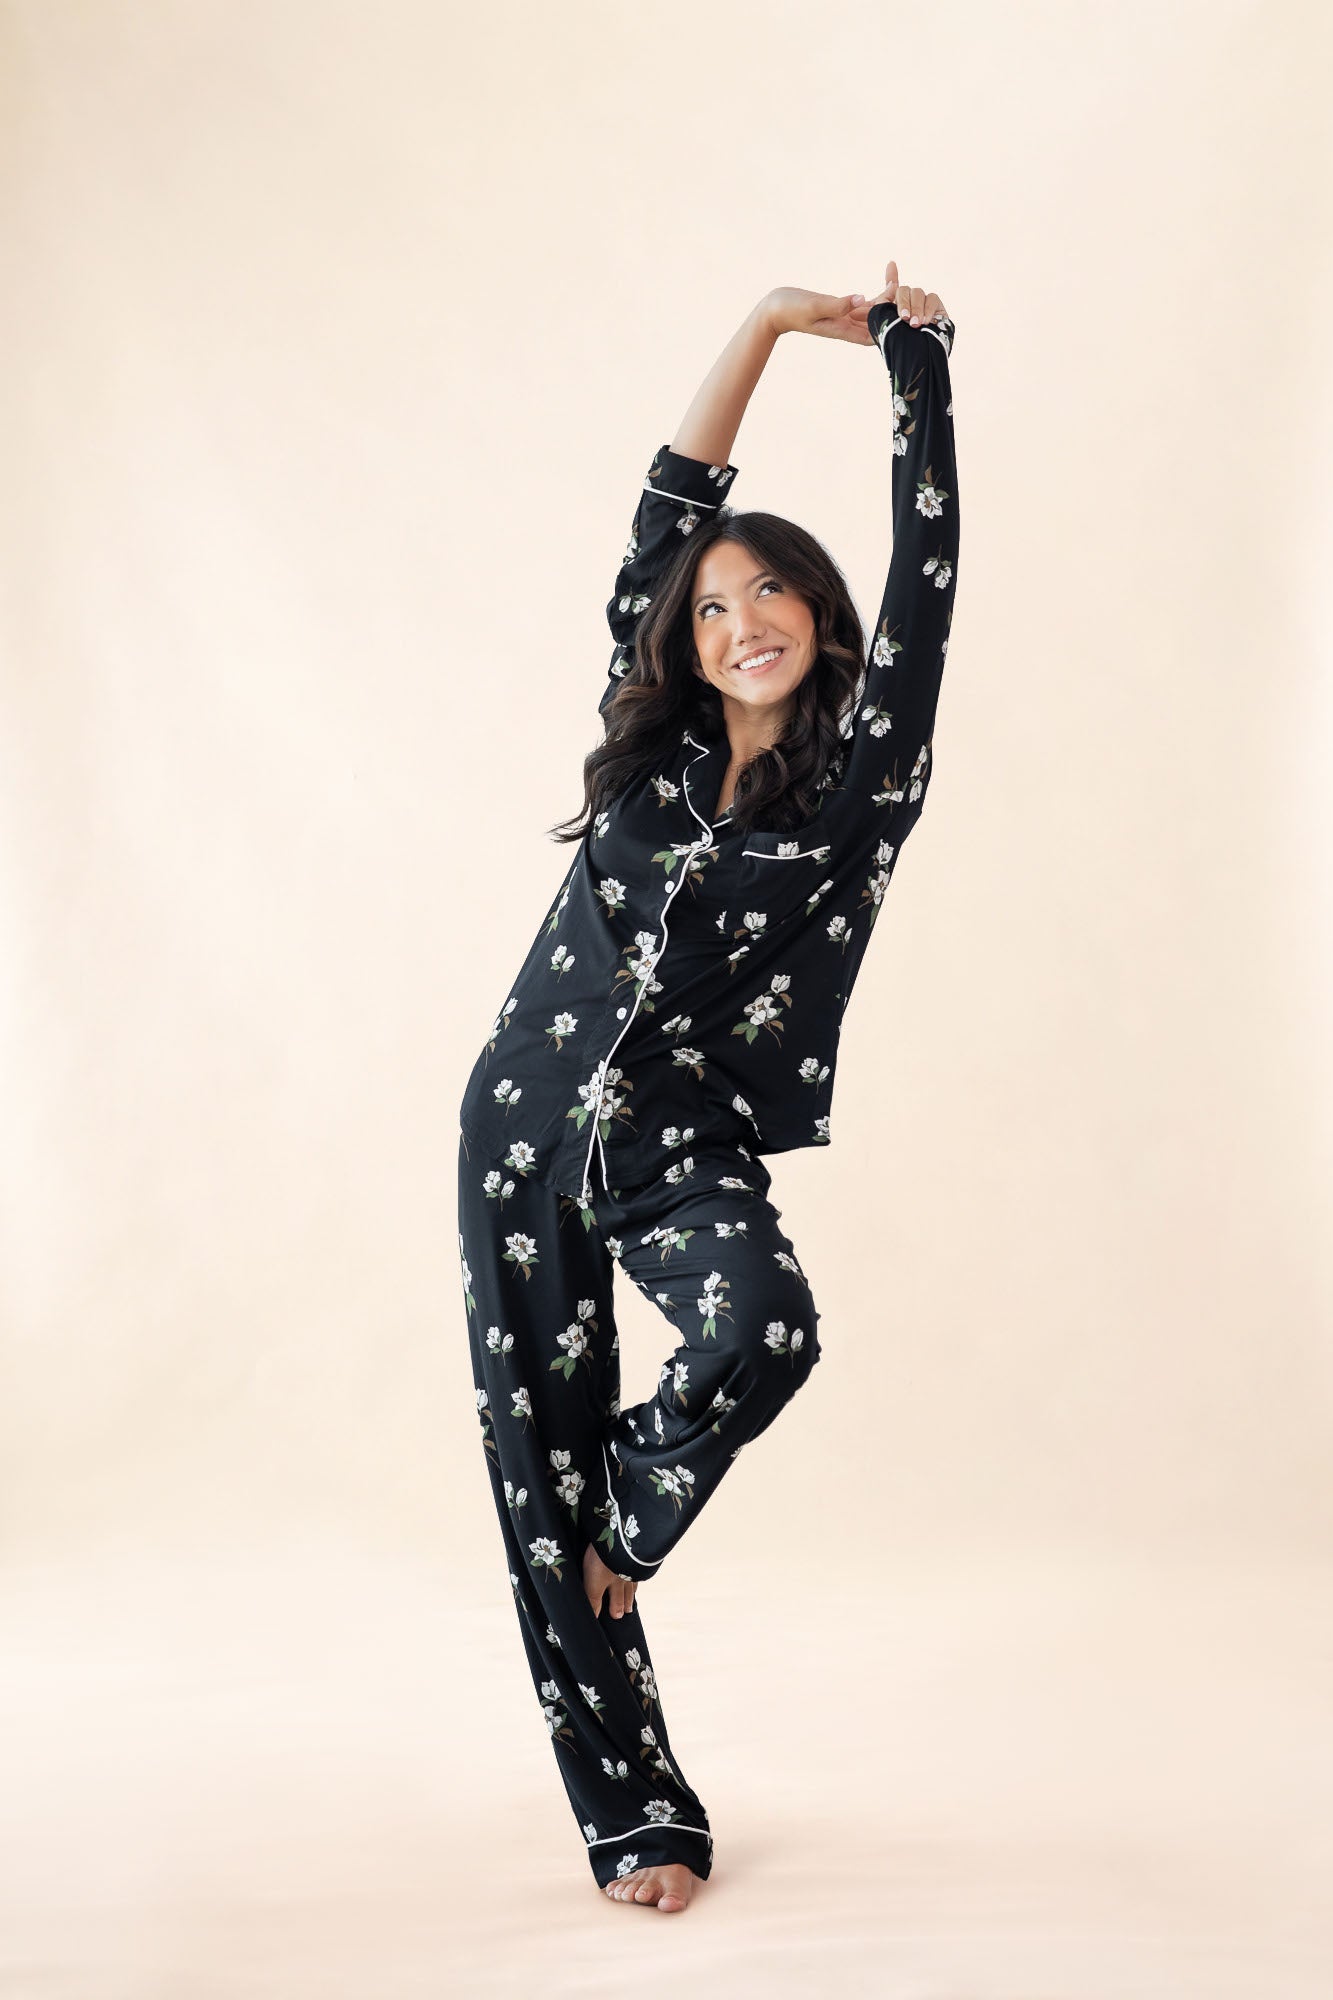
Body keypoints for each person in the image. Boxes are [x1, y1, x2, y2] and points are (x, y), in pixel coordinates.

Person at [457, 261, 959, 1913]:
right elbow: (675, 499)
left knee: (763, 1330)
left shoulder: (858, 778)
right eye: (715, 604)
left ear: (818, 616)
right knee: (536, 1491)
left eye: (772, 598)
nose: (740, 624)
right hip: (524, 1118)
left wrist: (910, 368)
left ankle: (631, 1501)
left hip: (676, 1137)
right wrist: (760, 325)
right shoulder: (649, 722)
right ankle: (638, 1814)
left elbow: (930, 575)